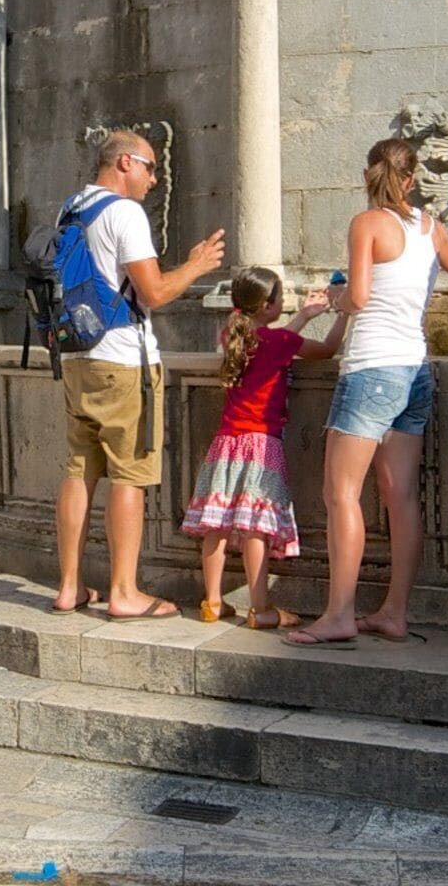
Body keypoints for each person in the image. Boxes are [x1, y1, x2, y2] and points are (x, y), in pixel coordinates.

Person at [293, 135, 448, 647]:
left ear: (368, 176)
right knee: (400, 495)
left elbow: (359, 296)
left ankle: (338, 615)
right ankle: (393, 613)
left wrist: (336, 298)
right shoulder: (428, 224)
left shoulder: (366, 223)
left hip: (372, 369)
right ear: (411, 178)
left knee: (339, 494)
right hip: (413, 369)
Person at [50, 127, 226, 620]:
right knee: (130, 473)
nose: (156, 178)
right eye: (150, 167)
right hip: (123, 359)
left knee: (79, 468)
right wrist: (195, 266)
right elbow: (153, 293)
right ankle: (124, 591)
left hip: (76, 355)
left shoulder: (72, 208)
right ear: (125, 162)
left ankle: (69, 587)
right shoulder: (125, 212)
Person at [185, 269, 337, 628]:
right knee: (257, 528)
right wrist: (342, 315)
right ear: (268, 306)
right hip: (262, 446)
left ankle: (212, 602)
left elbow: (269, 338)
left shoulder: (232, 335)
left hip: (225, 444)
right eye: (281, 300)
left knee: (216, 526)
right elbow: (328, 350)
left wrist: (303, 315)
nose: (284, 304)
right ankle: (261, 608)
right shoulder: (281, 342)